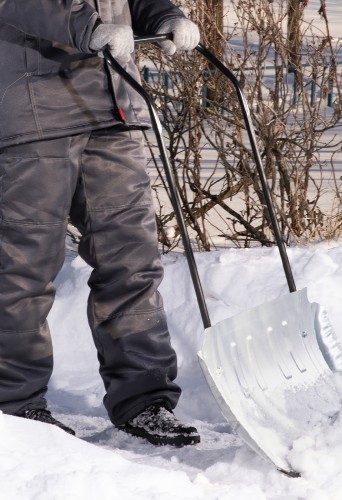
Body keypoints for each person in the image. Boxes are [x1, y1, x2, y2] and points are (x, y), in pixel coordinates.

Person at [0, 1, 201, 447]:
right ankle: (13, 407)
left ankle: (145, 399)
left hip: (114, 102)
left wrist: (163, 16)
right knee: (25, 266)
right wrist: (86, 27)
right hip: (34, 105)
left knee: (132, 259)